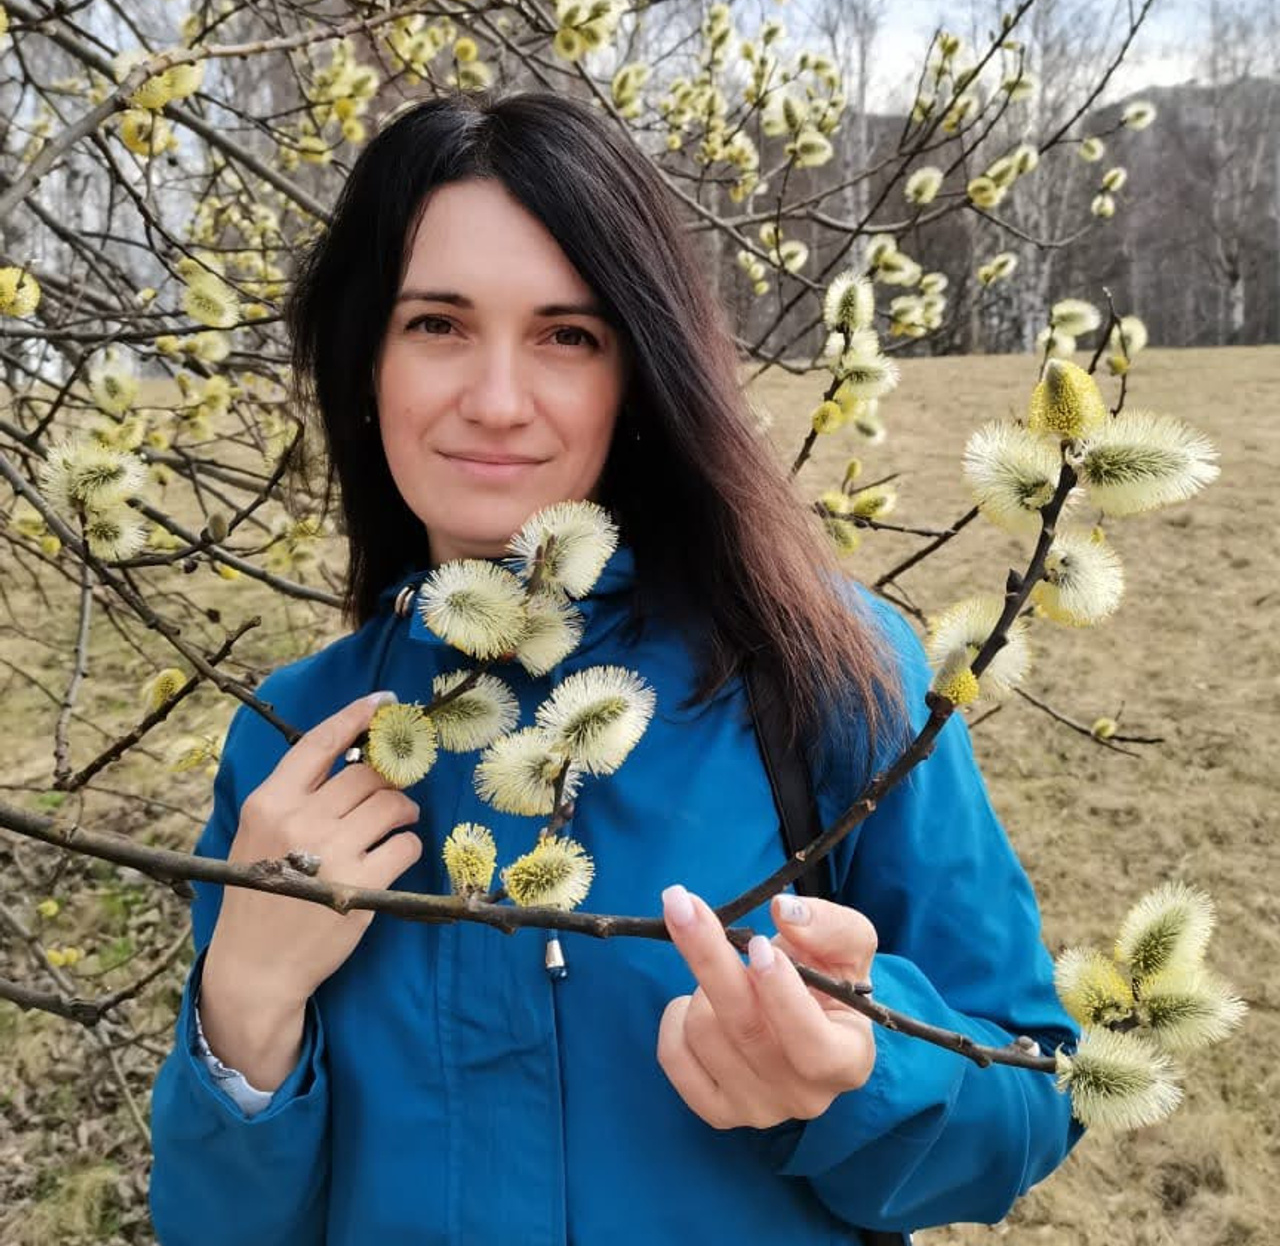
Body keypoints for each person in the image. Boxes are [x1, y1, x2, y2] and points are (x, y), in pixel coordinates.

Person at [147, 88, 1084, 1246]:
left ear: (637, 372)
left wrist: (859, 1066)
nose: (495, 401)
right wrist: (242, 1003)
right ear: (365, 356)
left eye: (566, 335)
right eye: (436, 323)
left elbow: (1025, 1095)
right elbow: (221, 1229)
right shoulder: (294, 737)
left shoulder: (829, 673)